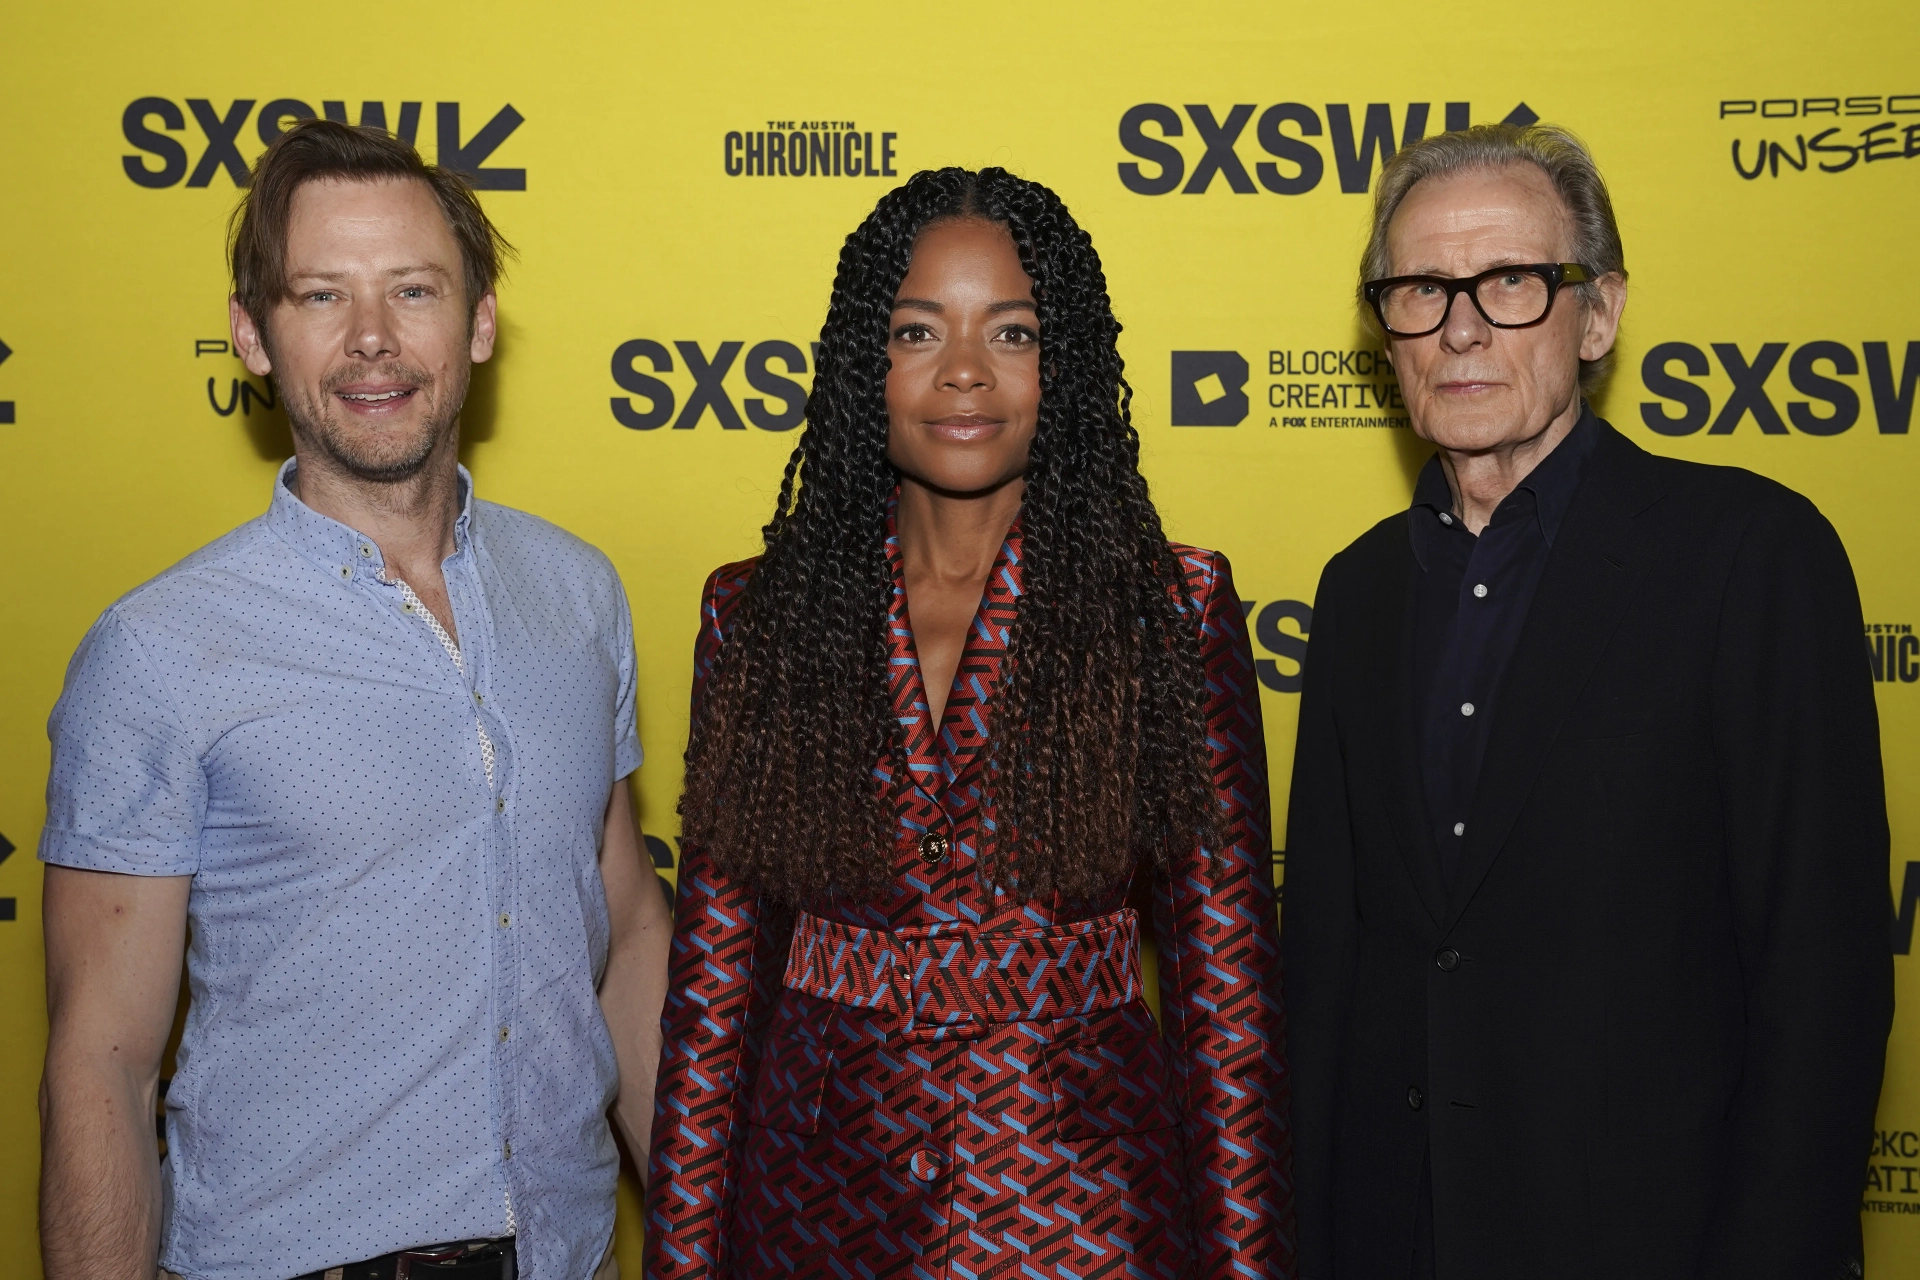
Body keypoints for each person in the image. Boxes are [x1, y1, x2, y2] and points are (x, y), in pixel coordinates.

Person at [37, 119, 671, 1280]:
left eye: (413, 291)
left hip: (567, 1253)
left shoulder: (576, 592)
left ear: (479, 321)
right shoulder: (160, 648)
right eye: (321, 295)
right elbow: (103, 1062)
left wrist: (705, 1224)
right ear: (251, 336)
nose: (372, 340)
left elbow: (626, 932)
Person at [643, 167, 1290, 1280]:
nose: (962, 373)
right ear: (865, 363)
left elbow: (1224, 1000)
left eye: (1013, 332)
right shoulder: (757, 612)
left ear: (1066, 364)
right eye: (916, 330)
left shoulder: (1167, 608)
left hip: (1087, 1217)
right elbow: (711, 1001)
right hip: (813, 1214)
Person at [1283, 122, 1892, 1280]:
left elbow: (1823, 984)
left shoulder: (1752, 557)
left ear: (1598, 314)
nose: (1459, 326)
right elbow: (1327, 971)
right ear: (1386, 329)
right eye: (1419, 288)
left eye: (1510, 281)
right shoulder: (1356, 591)